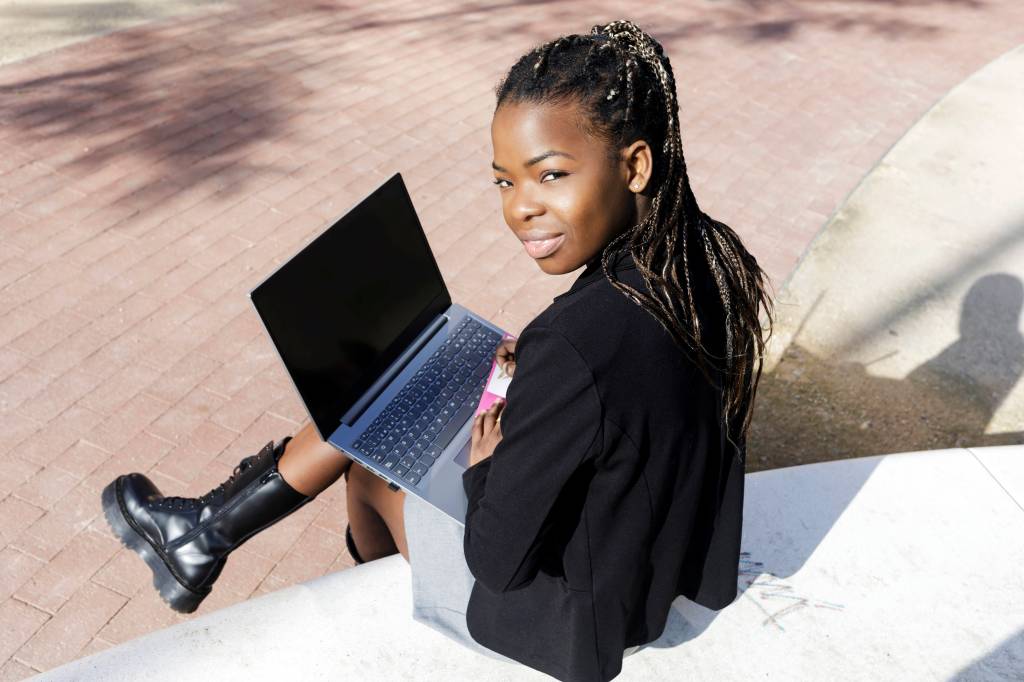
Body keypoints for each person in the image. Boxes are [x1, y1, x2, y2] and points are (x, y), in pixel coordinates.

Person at [101, 18, 773, 682]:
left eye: (550, 175)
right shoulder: (709, 258)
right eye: (505, 182)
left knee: (368, 460)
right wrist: (541, 383)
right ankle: (203, 534)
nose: (520, 209)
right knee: (379, 404)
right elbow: (634, 387)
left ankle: (287, 578)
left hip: (589, 616)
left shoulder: (574, 342)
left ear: (634, 165)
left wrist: (486, 464)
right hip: (663, 551)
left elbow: (497, 560)